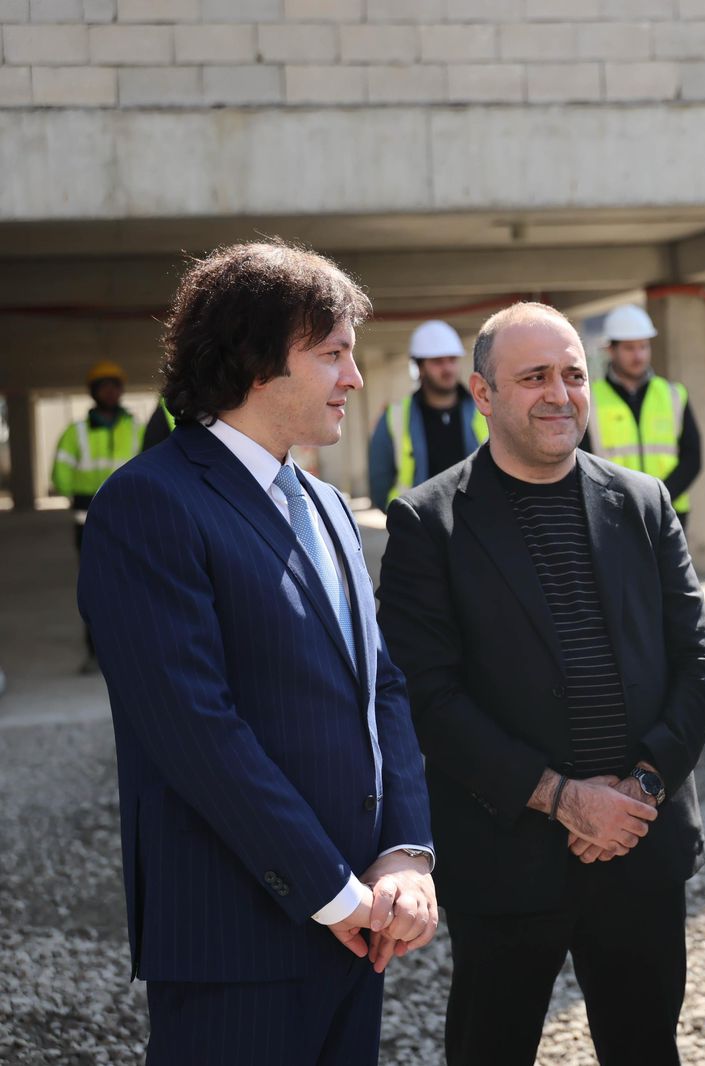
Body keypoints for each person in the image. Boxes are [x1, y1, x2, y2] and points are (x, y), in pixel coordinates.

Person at [76, 240, 437, 1065]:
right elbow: (195, 730)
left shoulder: (328, 505)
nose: (354, 377)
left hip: (360, 930)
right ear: (254, 360)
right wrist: (330, 890)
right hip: (236, 941)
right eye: (332, 354)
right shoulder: (149, 503)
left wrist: (405, 854)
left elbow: (380, 686)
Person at [377, 301, 705, 1065]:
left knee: (646, 1051)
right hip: (507, 861)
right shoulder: (430, 522)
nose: (560, 394)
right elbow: (428, 699)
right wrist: (563, 798)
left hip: (638, 846)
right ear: (483, 393)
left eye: (573, 374)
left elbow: (701, 666)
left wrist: (638, 789)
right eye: (534, 377)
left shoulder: (643, 502)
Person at [52, 359, 140, 671]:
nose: (110, 392)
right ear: (93, 392)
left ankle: (133, 647)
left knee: (135, 583)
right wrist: (79, 494)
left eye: (115, 386)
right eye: (104, 387)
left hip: (130, 514)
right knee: (96, 585)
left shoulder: (135, 428)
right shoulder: (75, 432)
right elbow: (60, 474)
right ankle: (97, 651)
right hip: (87, 516)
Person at [580, 302, 702, 527]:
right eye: (629, 348)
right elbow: (583, 462)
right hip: (614, 515)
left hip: (669, 511)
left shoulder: (674, 395)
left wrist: (658, 498)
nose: (638, 355)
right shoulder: (590, 400)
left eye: (643, 347)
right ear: (611, 350)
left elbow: (692, 457)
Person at [368, 319, 488, 505]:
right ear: (420, 367)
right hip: (418, 518)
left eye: (452, 360)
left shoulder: (484, 408)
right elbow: (380, 484)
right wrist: (401, 513)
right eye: (438, 362)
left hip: (477, 515)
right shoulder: (395, 416)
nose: (447, 368)